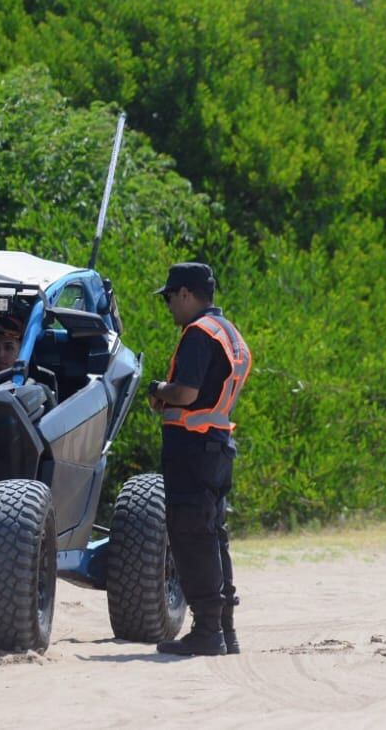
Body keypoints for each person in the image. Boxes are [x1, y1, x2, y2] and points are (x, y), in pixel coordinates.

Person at [146, 262, 251, 657]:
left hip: (192, 447)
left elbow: (187, 394)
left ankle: (207, 631)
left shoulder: (198, 333)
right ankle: (224, 628)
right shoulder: (230, 334)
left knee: (191, 535)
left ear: (187, 294)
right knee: (213, 535)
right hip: (218, 444)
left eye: (170, 298)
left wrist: (159, 389)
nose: (169, 307)